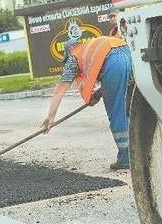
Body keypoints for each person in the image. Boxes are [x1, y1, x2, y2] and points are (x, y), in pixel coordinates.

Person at [41, 36, 132, 170]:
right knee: (133, 108)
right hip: (129, 54)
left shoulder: (74, 57)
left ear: (71, 49)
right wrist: (98, 93)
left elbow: (59, 90)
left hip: (114, 63)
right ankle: (142, 151)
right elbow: (116, 72)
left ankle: (125, 158)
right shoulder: (91, 50)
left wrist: (50, 117)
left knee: (117, 111)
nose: (68, 62)